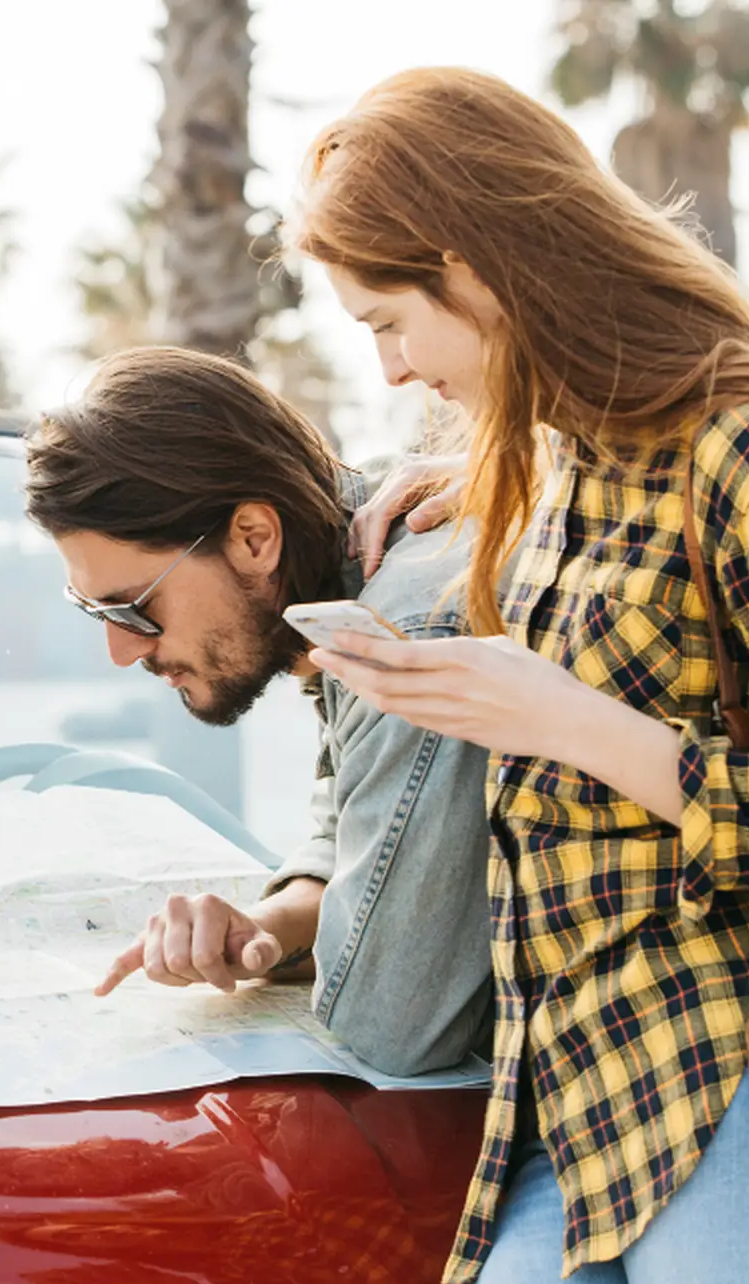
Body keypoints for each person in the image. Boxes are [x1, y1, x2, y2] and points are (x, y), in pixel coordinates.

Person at [290, 69, 749, 1284]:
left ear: (469, 268)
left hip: (740, 1091)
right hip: (572, 1116)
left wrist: (565, 721)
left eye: (385, 322)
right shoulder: (557, 479)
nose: (383, 369)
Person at [25, 345, 493, 1077]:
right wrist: (268, 928)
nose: (121, 651)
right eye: (92, 611)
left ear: (253, 538)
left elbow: (393, 1024)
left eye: (135, 607)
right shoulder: (333, 598)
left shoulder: (406, 625)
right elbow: (349, 834)